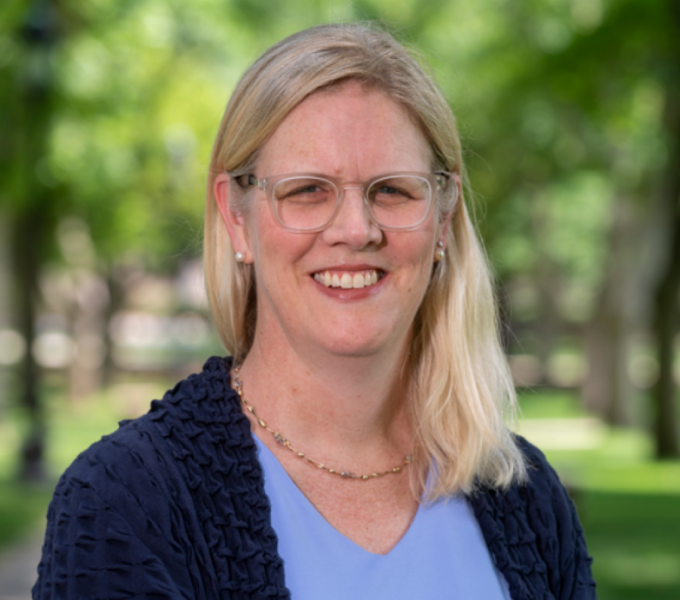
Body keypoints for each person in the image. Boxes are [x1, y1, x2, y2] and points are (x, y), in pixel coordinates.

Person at [33, 23, 596, 600]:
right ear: (236, 217)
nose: (356, 230)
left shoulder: (523, 496)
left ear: (443, 217)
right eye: (307, 191)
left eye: (391, 190)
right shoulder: (124, 502)